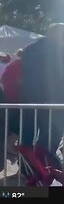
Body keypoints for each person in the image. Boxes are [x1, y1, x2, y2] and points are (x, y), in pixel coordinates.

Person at [20, 23, 64, 158]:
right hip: (54, 100)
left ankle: (27, 165)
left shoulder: (29, 49)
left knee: (28, 133)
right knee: (52, 133)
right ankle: (45, 163)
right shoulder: (59, 50)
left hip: (29, 98)